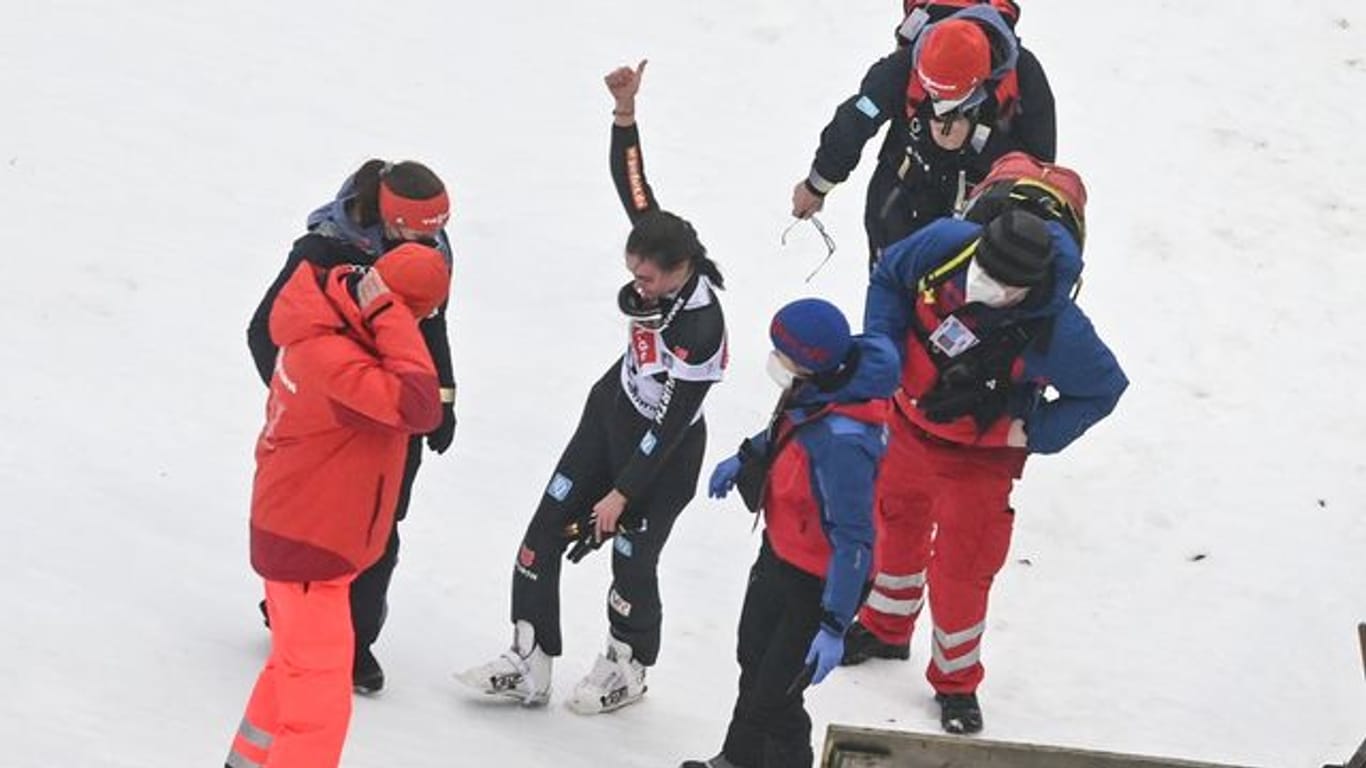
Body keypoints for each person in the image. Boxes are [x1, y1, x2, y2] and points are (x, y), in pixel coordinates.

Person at [457, 60, 727, 715]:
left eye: (651, 279)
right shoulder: (661, 244)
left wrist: (620, 493)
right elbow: (631, 182)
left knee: (630, 561)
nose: (640, 285)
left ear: (681, 270)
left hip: (661, 455)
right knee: (539, 537)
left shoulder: (701, 324)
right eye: (632, 270)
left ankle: (627, 666)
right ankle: (530, 660)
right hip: (610, 412)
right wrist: (625, 113)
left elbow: (672, 420)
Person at [846, 208, 1126, 734]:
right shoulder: (945, 244)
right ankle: (885, 626)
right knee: (894, 524)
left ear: (1028, 287)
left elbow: (1104, 389)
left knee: (962, 570)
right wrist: (882, 345)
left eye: (1000, 283)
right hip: (905, 427)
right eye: (981, 269)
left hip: (979, 463)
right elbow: (887, 277)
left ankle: (956, 683)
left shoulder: (1060, 331)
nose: (983, 285)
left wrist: (1032, 432)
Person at [225, 243, 449, 768]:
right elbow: (420, 405)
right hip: (309, 548)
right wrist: (392, 314)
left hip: (306, 540)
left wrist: (382, 310)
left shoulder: (334, 330)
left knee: (290, 673)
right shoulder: (339, 359)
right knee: (319, 712)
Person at [246, 159, 456, 693]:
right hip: (328, 421)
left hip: (393, 413)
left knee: (379, 528)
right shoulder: (322, 249)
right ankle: (289, 610)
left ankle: (356, 644)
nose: (429, 245)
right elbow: (265, 331)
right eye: (416, 232)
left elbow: (431, 326)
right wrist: (307, 397)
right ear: (387, 216)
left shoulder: (428, 252)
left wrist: (444, 398)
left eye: (437, 232)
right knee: (310, 519)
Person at [681, 299, 898, 768]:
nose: (776, 361)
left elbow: (854, 538)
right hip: (780, 551)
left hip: (821, 581)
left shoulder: (846, 442)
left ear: (813, 362)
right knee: (752, 661)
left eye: (784, 354)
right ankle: (738, 759)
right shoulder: (821, 388)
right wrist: (746, 455)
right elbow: (790, 426)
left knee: (776, 696)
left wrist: (835, 623)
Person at [790, 3, 1055, 267]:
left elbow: (1040, 168)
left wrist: (976, 140)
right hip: (900, 201)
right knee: (891, 291)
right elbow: (856, 118)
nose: (934, 100)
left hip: (979, 221)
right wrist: (817, 184)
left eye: (944, 97)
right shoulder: (902, 67)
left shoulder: (1025, 76)